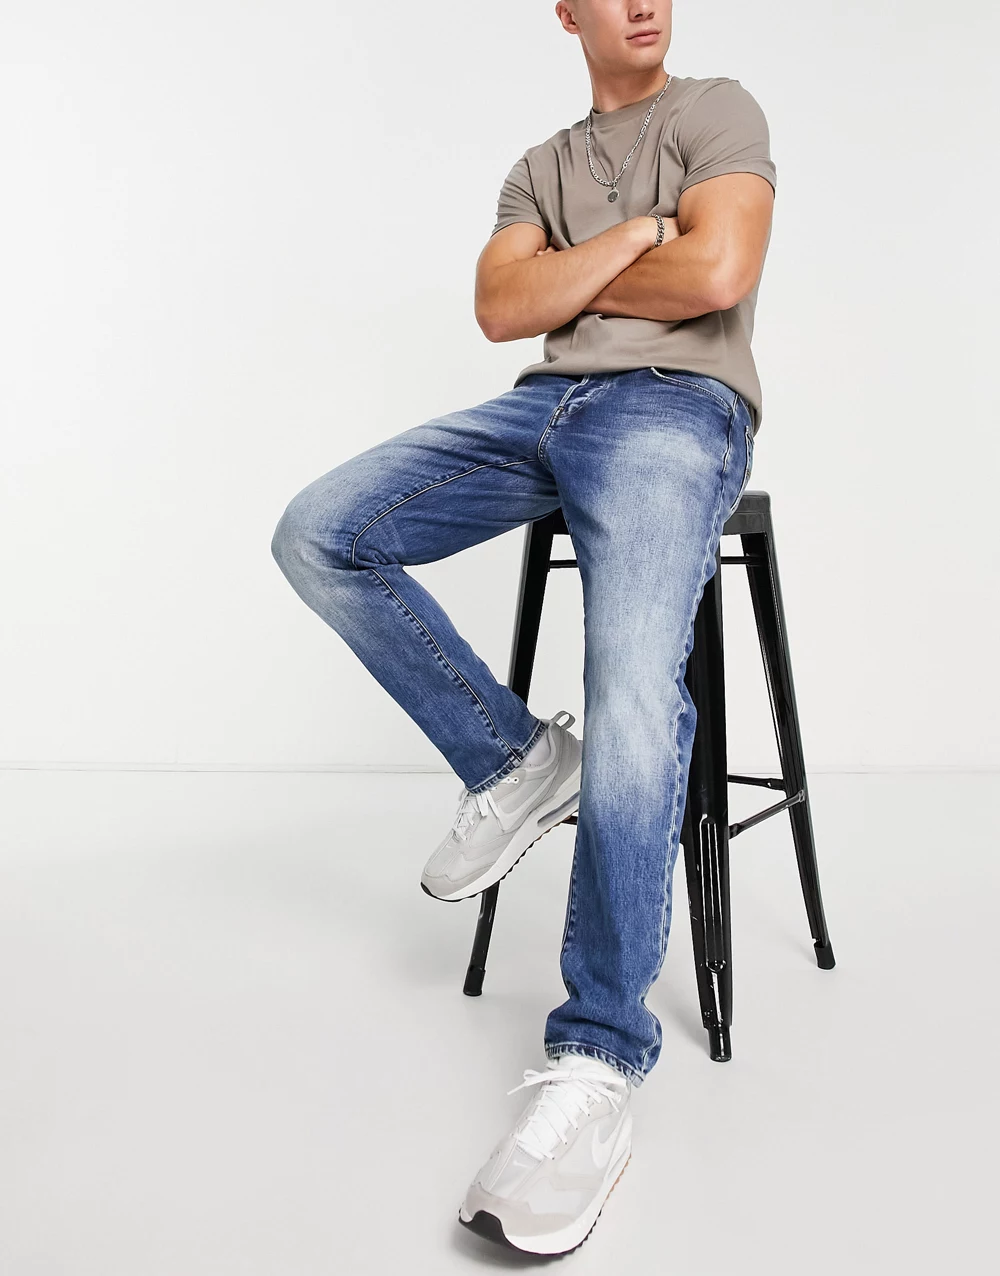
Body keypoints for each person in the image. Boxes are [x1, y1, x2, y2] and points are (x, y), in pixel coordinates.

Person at [270, 0, 775, 1257]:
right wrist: (646, 231)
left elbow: (718, 274)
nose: (643, 1)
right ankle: (516, 761)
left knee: (631, 690)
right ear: (566, 10)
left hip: (676, 408)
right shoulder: (536, 165)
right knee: (321, 530)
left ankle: (599, 1053)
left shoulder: (717, 110)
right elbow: (502, 310)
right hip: (541, 406)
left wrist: (580, 266)